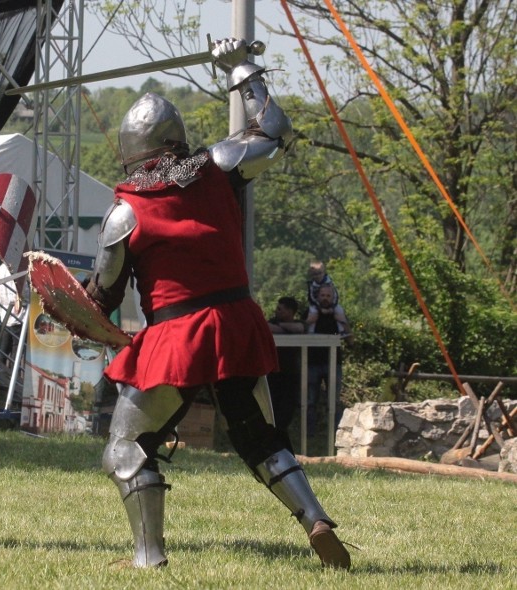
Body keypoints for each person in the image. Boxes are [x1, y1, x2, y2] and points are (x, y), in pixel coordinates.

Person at [82, 38, 350, 569]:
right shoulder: (218, 167)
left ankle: (148, 556)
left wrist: (73, 309)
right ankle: (314, 517)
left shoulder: (125, 212)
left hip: (176, 339)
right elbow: (274, 132)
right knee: (259, 436)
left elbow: (104, 294)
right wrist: (241, 70)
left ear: (132, 152)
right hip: (238, 325)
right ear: (177, 140)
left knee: (126, 448)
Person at [305, 283, 353, 435]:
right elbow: (300, 331)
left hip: (333, 363)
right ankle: (309, 435)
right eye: (322, 296)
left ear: (333, 298)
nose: (325, 299)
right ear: (317, 297)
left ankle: (336, 434)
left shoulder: (338, 314)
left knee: (333, 401)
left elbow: (351, 340)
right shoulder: (310, 312)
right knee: (310, 401)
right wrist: (309, 321)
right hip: (312, 362)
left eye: (328, 296)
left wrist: (343, 321)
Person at [267, 296, 305, 433]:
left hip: (290, 374)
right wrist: (283, 329)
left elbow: (300, 328)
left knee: (287, 408)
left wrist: (282, 327)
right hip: (273, 373)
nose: (276, 311)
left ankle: (280, 433)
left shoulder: (297, 324)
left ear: (289, 312)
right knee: (272, 406)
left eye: (280, 309)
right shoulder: (273, 322)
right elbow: (268, 327)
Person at [0, 261, 25, 364]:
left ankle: (0, 371)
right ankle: (11, 375)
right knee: (15, 350)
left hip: (5, 313)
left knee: (5, 347)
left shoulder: (1, 268)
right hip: (17, 315)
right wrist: (18, 301)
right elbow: (19, 288)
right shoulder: (17, 267)